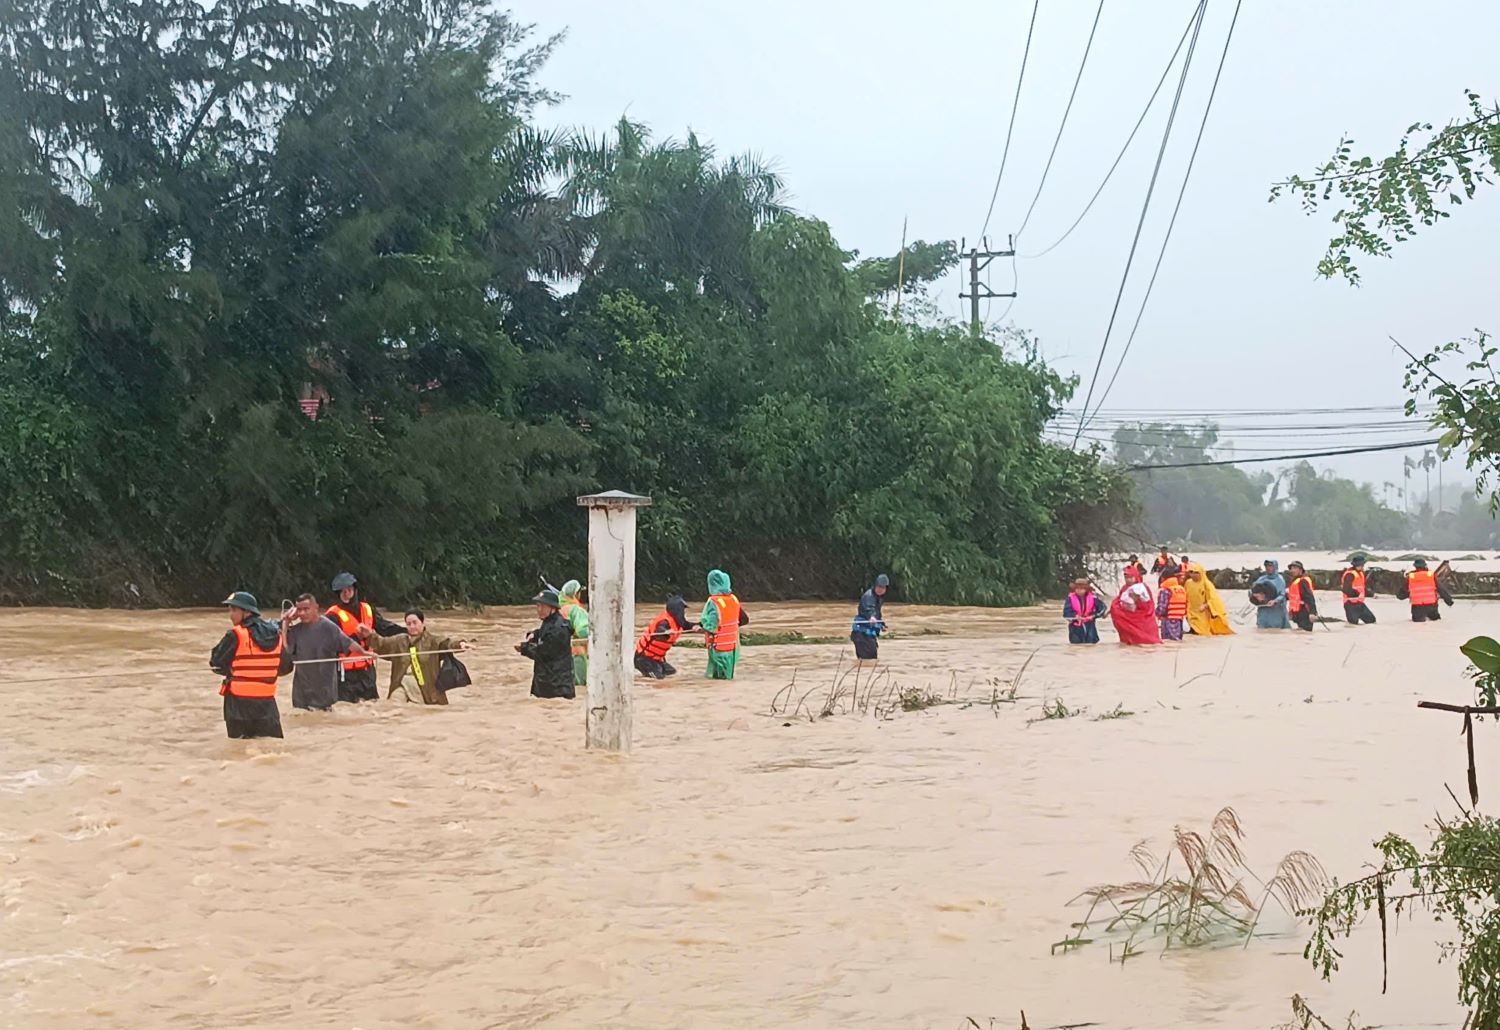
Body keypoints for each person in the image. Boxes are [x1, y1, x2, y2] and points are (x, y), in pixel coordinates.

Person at [209, 591, 285, 739]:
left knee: (240, 752)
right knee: (269, 748)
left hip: (239, 707)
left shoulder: (236, 634)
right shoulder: (276, 634)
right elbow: (285, 667)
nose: (230, 614)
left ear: (247, 612)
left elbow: (216, 663)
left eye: (234, 610)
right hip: (267, 706)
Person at [281, 592, 371, 711]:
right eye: (299, 610)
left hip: (324, 694)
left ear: (316, 608)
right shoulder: (296, 631)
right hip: (301, 695)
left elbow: (349, 643)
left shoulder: (328, 627)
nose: (302, 613)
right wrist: (285, 623)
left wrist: (365, 654)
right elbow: (285, 651)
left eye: (306, 609)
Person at [325, 572, 403, 703]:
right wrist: (356, 636)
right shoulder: (332, 616)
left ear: (355, 590)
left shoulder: (367, 609)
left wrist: (409, 632)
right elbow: (333, 645)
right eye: (342, 591)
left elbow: (385, 628)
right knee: (347, 710)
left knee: (372, 708)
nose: (345, 593)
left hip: (367, 673)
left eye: (348, 590)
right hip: (345, 676)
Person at [362, 610, 470, 705]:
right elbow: (381, 644)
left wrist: (460, 644)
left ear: (422, 623)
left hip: (424, 689)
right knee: (394, 706)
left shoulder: (433, 641)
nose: (412, 627)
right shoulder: (399, 641)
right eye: (408, 624)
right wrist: (369, 635)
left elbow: (448, 644)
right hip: (402, 683)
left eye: (415, 623)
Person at [517, 589, 575, 699]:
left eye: (543, 606)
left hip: (557, 688)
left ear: (553, 608)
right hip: (546, 685)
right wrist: (535, 634)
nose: (539, 610)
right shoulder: (550, 622)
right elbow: (545, 634)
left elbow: (544, 653)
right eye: (538, 606)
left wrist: (524, 649)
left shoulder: (559, 628)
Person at [700, 568, 749, 680]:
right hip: (732, 648)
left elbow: (710, 626)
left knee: (713, 680)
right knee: (727, 679)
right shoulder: (733, 600)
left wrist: (700, 628)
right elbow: (744, 619)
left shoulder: (713, 602)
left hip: (717, 648)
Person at [635, 595, 697, 680]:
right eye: (683, 609)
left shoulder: (679, 621)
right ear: (677, 610)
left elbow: (688, 626)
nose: (684, 612)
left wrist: (698, 626)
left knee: (671, 673)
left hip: (657, 659)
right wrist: (666, 632)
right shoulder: (664, 621)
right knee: (657, 680)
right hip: (644, 659)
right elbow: (659, 631)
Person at [1110, 568, 1161, 645]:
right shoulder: (1124, 588)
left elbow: (1148, 605)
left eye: (1130, 577)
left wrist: (1137, 599)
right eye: (1126, 578)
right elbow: (1118, 601)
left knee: (1148, 642)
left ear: (1136, 577)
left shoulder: (1143, 588)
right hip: (1129, 619)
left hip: (1143, 619)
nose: (1128, 580)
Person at [1181, 564, 1234, 636]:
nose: (1193, 574)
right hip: (1190, 612)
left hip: (1202, 613)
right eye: (1191, 572)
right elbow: (1184, 596)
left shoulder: (1206, 584)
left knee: (1204, 633)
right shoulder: (1188, 583)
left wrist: (1206, 605)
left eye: (1196, 572)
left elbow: (1214, 598)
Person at [1397, 557, 1454, 622]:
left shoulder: (1410, 577)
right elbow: (1441, 589)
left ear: (1415, 566)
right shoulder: (1431, 576)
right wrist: (1449, 601)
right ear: (1425, 565)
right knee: (1436, 624)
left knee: (1417, 627)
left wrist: (1410, 594)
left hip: (1417, 608)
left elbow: (1400, 595)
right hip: (1432, 606)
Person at [850, 573, 890, 665]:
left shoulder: (879, 597)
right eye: (879, 587)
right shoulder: (869, 596)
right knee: (869, 661)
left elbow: (877, 613)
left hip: (868, 634)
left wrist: (881, 624)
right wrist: (872, 617)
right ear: (875, 585)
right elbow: (869, 609)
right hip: (861, 634)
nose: (881, 589)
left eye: (883, 587)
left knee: (871, 660)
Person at [558, 579, 590, 689]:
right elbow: (583, 632)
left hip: (559, 657)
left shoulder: (557, 611)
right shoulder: (576, 611)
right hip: (577, 655)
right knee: (579, 689)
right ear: (576, 594)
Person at [1251, 560, 1290, 630]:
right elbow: (1252, 591)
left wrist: (1275, 601)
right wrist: (1256, 596)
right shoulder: (1261, 579)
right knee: (1262, 633)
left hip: (1277, 612)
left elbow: (1282, 594)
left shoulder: (1280, 580)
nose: (1268, 568)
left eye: (1270, 566)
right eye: (1266, 566)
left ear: (1275, 567)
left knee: (1278, 633)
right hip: (1263, 612)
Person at [1063, 578, 1103, 644]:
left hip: (1090, 626)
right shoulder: (1070, 599)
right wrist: (1075, 616)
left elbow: (1102, 609)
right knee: (1076, 646)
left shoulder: (1093, 598)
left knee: (1091, 644)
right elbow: (1066, 613)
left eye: (1081, 588)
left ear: (1086, 589)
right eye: (1077, 588)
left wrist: (1093, 616)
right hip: (1075, 627)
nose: (1079, 590)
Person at [1341, 555, 1377, 625]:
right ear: (1355, 565)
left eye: (1362, 565)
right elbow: (1346, 589)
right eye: (1360, 565)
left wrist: (1372, 594)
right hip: (1350, 604)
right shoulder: (1349, 574)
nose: (1362, 567)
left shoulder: (1361, 573)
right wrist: (1356, 594)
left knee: (1372, 620)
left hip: (1360, 604)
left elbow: (1362, 588)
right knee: (1353, 624)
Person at [1156, 567, 1188, 641]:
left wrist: (1155, 614)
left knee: (1168, 641)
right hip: (1180, 620)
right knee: (1177, 640)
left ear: (1163, 578)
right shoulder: (1181, 589)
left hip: (1168, 620)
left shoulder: (1166, 591)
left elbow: (1162, 608)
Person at [1286, 561, 1319, 632]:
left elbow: (1309, 597)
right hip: (1298, 613)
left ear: (1300, 570)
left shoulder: (1303, 581)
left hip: (1305, 612)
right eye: (1291, 568)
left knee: (1305, 632)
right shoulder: (1295, 581)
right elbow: (1292, 596)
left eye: (1295, 568)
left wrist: (1312, 612)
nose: (1292, 570)